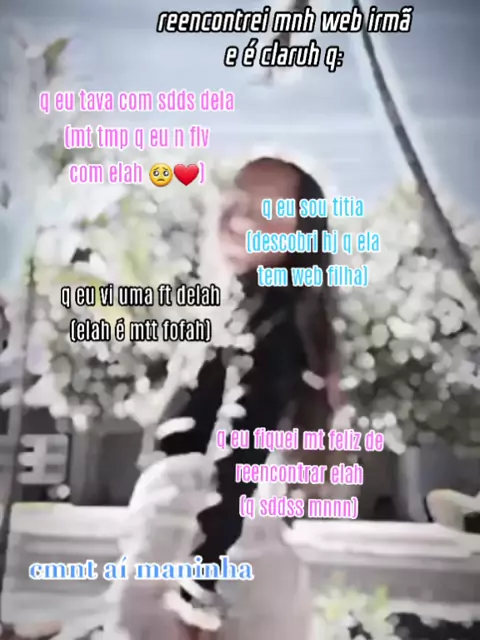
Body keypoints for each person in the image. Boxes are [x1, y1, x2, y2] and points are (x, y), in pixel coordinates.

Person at [102, 156, 339, 640]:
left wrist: (201, 574)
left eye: (268, 210)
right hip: (213, 541)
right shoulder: (244, 310)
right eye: (236, 200)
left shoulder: (272, 324)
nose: (242, 219)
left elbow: (243, 438)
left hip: (204, 545)